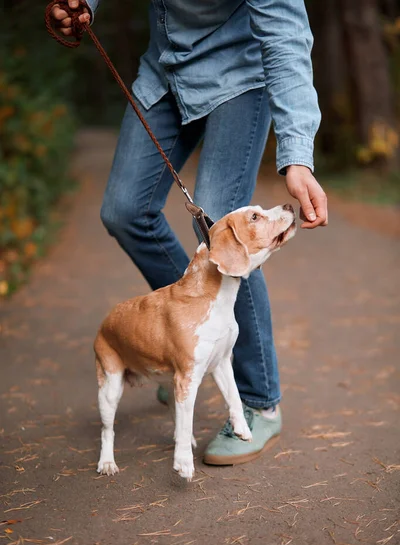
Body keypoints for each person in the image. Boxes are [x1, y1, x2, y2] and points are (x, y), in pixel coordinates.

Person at [51, 0, 328, 466]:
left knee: (229, 235)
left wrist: (297, 153)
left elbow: (287, 35)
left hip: (239, 76)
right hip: (164, 73)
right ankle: (187, 347)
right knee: (125, 210)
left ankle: (261, 401)